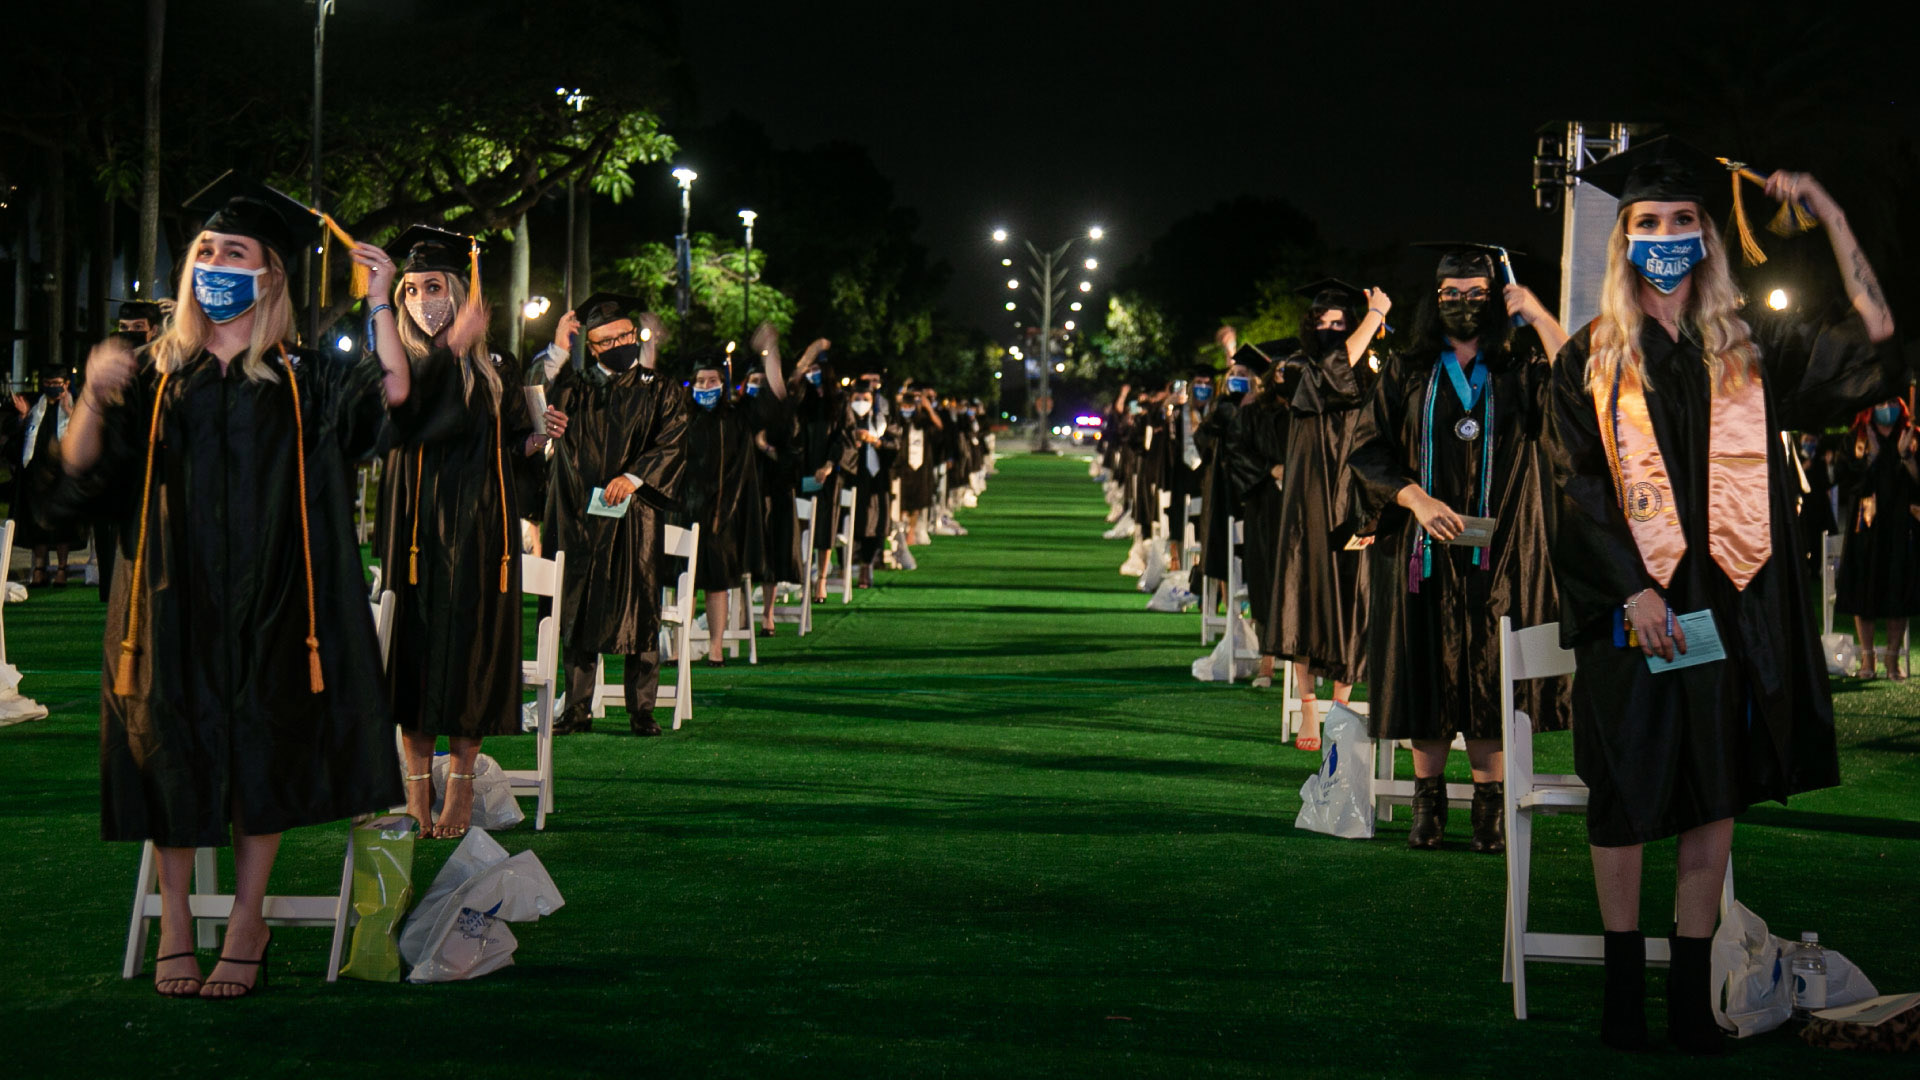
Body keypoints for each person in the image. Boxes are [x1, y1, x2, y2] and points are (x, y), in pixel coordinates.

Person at [1548, 138, 1899, 1052]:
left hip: (1736, 605)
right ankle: (1625, 992)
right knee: (1624, 791)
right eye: (1649, 223)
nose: (1666, 236)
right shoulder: (1587, 360)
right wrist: (1630, 593)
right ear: (1625, 240)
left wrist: (1827, 209)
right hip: (1639, 610)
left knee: (1715, 790)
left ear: (1707, 235)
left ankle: (1688, 999)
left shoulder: (1751, 347)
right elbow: (1575, 486)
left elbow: (1876, 333)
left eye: (1683, 221)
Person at [38, 174, 409, 997]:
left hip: (275, 600)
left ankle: (247, 919)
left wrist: (379, 301)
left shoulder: (303, 378)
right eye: (205, 250)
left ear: (270, 274)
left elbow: (391, 398)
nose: (212, 262)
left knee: (260, 746)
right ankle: (176, 923)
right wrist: (92, 404)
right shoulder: (151, 374)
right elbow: (72, 491)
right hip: (167, 599)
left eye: (233, 252)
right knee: (169, 749)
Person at [1346, 242, 1572, 854]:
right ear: (1434, 300)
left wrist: (1540, 315)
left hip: (1500, 557)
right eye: (1452, 295)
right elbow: (1367, 451)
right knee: (1425, 670)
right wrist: (1414, 499)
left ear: (1497, 299)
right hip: (1420, 556)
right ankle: (1428, 802)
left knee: (1488, 674)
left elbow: (1581, 396)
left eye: (1478, 294)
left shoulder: (1521, 373)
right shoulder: (1405, 372)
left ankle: (1489, 808)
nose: (1463, 305)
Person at [373, 226, 553, 838]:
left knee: (472, 651)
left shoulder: (494, 365)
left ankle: (462, 789)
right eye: (414, 289)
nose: (425, 299)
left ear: (457, 289)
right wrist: (451, 349)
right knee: (415, 654)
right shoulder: (393, 358)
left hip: (479, 530)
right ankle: (415, 788)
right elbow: (407, 419)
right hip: (416, 530)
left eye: (436, 287)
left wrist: (532, 439)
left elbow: (503, 447)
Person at [540, 294, 689, 735]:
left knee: (640, 608)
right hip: (580, 515)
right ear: (594, 347)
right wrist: (558, 349)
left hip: (635, 518)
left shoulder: (660, 388)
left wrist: (636, 477)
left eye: (626, 334)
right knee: (579, 608)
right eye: (609, 339)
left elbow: (673, 440)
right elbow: (531, 405)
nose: (622, 343)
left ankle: (642, 709)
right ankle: (577, 709)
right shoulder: (573, 386)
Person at [1270, 280, 1388, 750]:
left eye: (1341, 323)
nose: (1333, 330)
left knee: (1351, 599)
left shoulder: (1371, 372)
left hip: (1355, 498)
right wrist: (1373, 316)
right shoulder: (1294, 370)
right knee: (1305, 596)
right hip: (1309, 503)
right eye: (1324, 323)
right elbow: (1329, 375)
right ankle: (1308, 709)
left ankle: (1341, 707)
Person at [681, 346, 763, 665]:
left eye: (712, 380)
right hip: (685, 510)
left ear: (723, 383)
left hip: (722, 512)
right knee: (683, 581)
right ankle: (681, 643)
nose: (705, 387)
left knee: (717, 584)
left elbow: (739, 466)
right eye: (700, 381)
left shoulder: (733, 418)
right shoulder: (684, 416)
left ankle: (716, 646)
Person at [1834, 399, 1918, 679]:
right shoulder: (1856, 437)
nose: (1887, 407)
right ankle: (1868, 662)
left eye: (1893, 402)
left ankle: (1892, 663)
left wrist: (1906, 456)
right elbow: (1842, 478)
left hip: (1899, 527)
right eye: (1881, 402)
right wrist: (1870, 460)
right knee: (1864, 594)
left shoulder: (1911, 434)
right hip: (1866, 529)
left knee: (1898, 594)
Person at [1224, 342, 1291, 687]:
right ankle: (1267, 658)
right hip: (1265, 507)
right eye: (1278, 369)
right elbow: (1235, 452)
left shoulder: (1310, 411)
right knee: (1266, 579)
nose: (1284, 375)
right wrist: (1270, 470)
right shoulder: (1251, 414)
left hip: (1300, 511)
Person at [10, 366, 86, 585]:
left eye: (56, 384)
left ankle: (62, 569)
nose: (52, 388)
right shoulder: (36, 407)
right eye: (48, 384)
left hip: (64, 475)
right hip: (37, 476)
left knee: (63, 524)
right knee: (38, 525)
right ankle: (39, 569)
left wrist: (71, 413)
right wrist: (23, 416)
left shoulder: (76, 404)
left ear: (66, 384)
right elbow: (17, 438)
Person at [794, 348, 843, 602]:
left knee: (824, 527)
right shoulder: (804, 400)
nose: (812, 375)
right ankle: (802, 575)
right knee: (801, 524)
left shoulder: (838, 401)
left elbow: (841, 437)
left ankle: (821, 580)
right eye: (809, 370)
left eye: (816, 370)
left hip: (827, 471)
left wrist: (829, 465)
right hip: (804, 467)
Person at [840, 380, 899, 587]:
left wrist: (875, 441)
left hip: (876, 480)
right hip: (850, 478)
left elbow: (896, 445)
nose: (861, 402)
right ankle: (842, 566)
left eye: (866, 399)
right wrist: (852, 440)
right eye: (856, 399)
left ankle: (866, 565)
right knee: (845, 520)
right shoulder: (843, 421)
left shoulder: (882, 421)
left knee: (873, 524)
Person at [893, 384, 940, 544]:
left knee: (917, 501)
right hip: (901, 467)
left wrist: (926, 407)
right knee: (901, 501)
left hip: (920, 467)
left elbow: (939, 427)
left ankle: (911, 533)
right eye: (905, 405)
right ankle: (899, 531)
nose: (907, 408)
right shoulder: (897, 421)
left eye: (910, 405)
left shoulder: (922, 421)